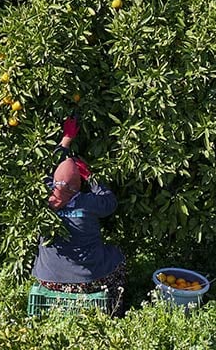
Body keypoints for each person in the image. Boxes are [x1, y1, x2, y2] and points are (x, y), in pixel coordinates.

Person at [31, 116, 127, 314]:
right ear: (78, 186)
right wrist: (91, 178)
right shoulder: (88, 203)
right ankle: (115, 309)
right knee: (117, 256)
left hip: (47, 278)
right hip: (86, 281)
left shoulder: (41, 198)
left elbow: (49, 168)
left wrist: (65, 141)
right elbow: (110, 202)